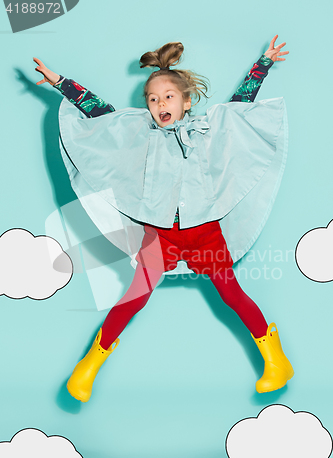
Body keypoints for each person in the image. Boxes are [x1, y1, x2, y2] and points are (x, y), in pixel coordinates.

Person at [34, 36, 293, 402]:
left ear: (186, 101)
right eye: (153, 99)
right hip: (160, 236)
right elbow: (99, 112)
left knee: (232, 294)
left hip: (204, 232)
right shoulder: (140, 134)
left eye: (168, 97)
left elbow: (239, 108)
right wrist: (62, 83)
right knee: (135, 296)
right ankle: (88, 365)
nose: (159, 104)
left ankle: (276, 359)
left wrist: (262, 64)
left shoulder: (205, 131)